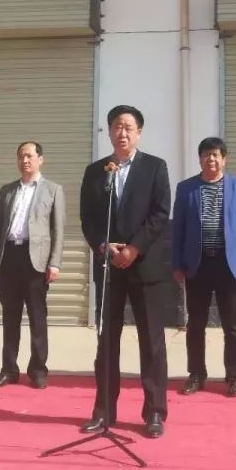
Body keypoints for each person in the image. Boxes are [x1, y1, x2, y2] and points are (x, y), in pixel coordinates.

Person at [80, 105, 171, 439]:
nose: (122, 132)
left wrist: (134, 249)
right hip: (109, 268)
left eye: (129, 127)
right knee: (106, 341)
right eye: (117, 126)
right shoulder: (96, 171)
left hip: (145, 267)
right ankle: (104, 410)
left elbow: (160, 214)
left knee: (152, 341)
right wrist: (103, 246)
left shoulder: (155, 167)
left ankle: (155, 412)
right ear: (109, 131)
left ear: (139, 133)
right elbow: (88, 218)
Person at [172, 137, 236, 398]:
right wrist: (177, 264)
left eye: (216, 154)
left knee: (232, 326)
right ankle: (196, 374)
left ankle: (234, 377)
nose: (211, 159)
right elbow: (178, 230)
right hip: (197, 264)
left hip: (228, 264)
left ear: (224, 159)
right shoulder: (186, 189)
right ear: (200, 159)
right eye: (206, 154)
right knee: (196, 325)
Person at [0, 141, 66, 389]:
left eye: (30, 156)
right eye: (21, 156)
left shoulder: (53, 190)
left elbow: (58, 229)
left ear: (40, 159)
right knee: (9, 317)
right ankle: (8, 369)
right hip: (9, 256)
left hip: (36, 261)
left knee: (37, 317)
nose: (25, 160)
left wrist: (54, 263)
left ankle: (38, 370)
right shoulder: (7, 190)